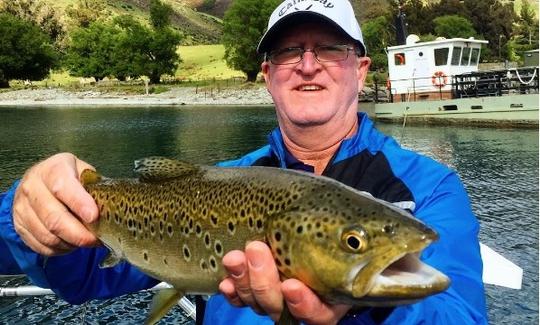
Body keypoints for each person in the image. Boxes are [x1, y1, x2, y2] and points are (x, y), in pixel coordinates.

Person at [0, 0, 487, 324]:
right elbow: (80, 277)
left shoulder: (431, 190)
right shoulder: (218, 183)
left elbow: (460, 313)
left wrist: (358, 308)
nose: (309, 63)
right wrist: (25, 209)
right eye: (289, 50)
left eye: (330, 49)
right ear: (268, 75)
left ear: (361, 71)